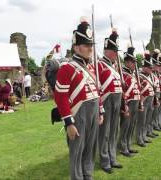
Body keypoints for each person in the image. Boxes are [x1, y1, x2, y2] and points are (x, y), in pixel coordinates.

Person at [54, 17, 104, 180]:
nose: (90, 48)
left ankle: (88, 176)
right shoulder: (67, 67)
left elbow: (97, 91)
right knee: (77, 152)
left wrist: (100, 111)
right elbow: (60, 97)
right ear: (76, 47)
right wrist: (69, 123)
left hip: (93, 112)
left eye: (91, 45)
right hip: (78, 114)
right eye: (86, 45)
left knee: (90, 149)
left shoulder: (90, 67)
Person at [98, 28, 123, 174]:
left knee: (114, 130)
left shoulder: (114, 67)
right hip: (107, 100)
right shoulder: (100, 65)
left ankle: (113, 157)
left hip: (117, 99)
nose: (115, 54)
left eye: (116, 51)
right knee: (105, 132)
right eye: (113, 51)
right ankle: (105, 159)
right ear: (107, 51)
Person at [118, 45, 140, 157]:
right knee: (125, 126)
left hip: (135, 102)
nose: (134, 64)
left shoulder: (131, 75)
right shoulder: (123, 75)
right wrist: (124, 106)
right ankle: (123, 147)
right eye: (132, 62)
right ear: (126, 62)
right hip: (128, 103)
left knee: (131, 125)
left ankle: (128, 145)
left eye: (134, 62)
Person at [136, 50, 154, 147]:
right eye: (149, 68)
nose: (151, 69)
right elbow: (141, 91)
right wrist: (141, 103)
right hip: (144, 100)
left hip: (150, 99)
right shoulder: (141, 77)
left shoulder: (148, 76)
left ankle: (144, 136)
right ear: (145, 68)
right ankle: (139, 138)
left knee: (147, 119)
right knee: (141, 120)